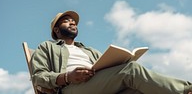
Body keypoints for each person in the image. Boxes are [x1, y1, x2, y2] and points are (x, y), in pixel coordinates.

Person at [31, 10, 192, 94]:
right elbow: (38, 76)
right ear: (57, 30)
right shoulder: (47, 47)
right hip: (72, 88)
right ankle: (186, 90)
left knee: (139, 89)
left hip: (97, 84)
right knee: (131, 70)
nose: (72, 22)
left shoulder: (89, 51)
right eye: (67, 21)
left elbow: (108, 69)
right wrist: (67, 76)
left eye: (73, 21)